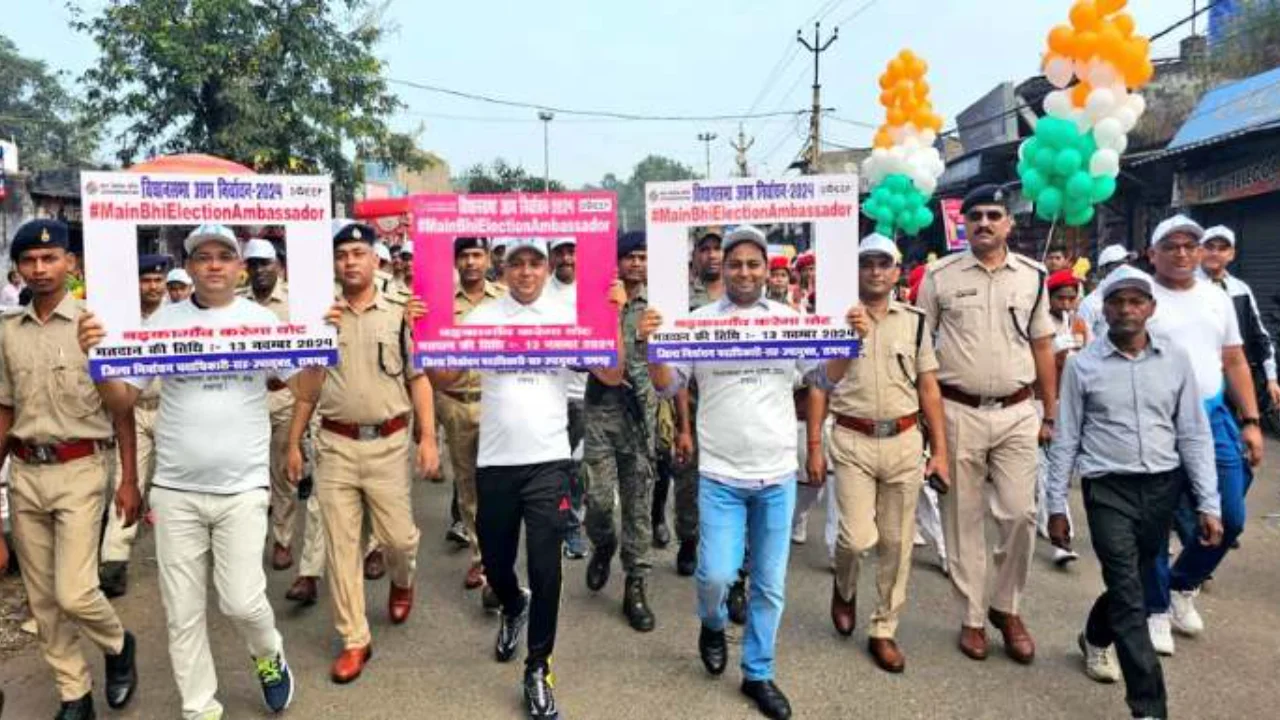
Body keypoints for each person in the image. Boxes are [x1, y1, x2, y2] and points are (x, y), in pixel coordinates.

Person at [80, 223, 299, 718]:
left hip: (242, 487)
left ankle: (268, 655)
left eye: (225, 255)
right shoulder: (162, 322)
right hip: (176, 490)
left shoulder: (260, 322)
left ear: (240, 267)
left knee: (242, 602)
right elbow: (123, 399)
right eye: (204, 256)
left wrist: (320, 340)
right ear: (190, 266)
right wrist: (95, 357)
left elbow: (304, 389)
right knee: (182, 614)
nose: (215, 264)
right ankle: (200, 707)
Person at [427, 237, 627, 719]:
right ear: (503, 267)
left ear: (546, 266)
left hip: (550, 463)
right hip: (495, 462)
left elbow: (613, 374)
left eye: (534, 262)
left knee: (545, 565)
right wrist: (426, 328)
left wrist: (610, 319)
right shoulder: (485, 317)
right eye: (515, 262)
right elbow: (445, 379)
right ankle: (514, 605)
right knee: (496, 566)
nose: (525, 271)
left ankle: (538, 667)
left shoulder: (566, 314)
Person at [642, 224, 812, 720]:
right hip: (720, 474)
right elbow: (668, 383)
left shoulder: (789, 320)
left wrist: (849, 341)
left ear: (766, 269)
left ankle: (758, 673)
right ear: (721, 267)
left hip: (777, 473)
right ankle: (711, 624)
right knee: (715, 574)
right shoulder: (696, 321)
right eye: (734, 263)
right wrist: (654, 347)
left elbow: (823, 377)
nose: (743, 271)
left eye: (753, 263)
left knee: (769, 584)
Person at [1047, 265, 1222, 720]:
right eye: (1117, 301)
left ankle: (1095, 636)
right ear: (1103, 308)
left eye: (1135, 301)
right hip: (1108, 489)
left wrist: (1208, 502)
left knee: (1139, 585)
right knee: (1129, 593)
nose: (1126, 310)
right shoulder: (1083, 366)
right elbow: (1065, 437)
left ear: (1150, 308)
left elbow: (1194, 434)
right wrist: (1055, 505)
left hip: (1162, 487)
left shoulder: (1175, 360)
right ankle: (1149, 708)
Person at [285, 222, 436, 684]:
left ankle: (402, 579)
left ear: (375, 259)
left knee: (398, 539)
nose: (349, 261)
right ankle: (355, 639)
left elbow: (418, 376)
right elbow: (306, 392)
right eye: (342, 255)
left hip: (388, 444)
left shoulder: (399, 312)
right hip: (333, 445)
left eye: (357, 252)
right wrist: (293, 443)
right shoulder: (319, 313)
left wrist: (427, 437)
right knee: (341, 548)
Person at [3, 219, 139, 720]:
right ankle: (73, 694)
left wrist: (129, 479)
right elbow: (4, 409)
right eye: (29, 261)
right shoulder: (7, 332)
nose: (40, 268)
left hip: (81, 467)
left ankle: (119, 644)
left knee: (75, 591)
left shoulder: (95, 324)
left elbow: (122, 411)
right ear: (17, 268)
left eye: (50, 258)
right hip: (24, 472)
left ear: (71, 263)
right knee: (42, 600)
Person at [916, 184, 1058, 664]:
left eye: (993, 215)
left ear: (1009, 223)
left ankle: (1007, 607)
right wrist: (926, 425)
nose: (983, 223)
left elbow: (1043, 348)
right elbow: (920, 351)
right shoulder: (938, 276)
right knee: (963, 521)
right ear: (963, 223)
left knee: (1021, 515)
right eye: (974, 215)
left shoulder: (1033, 277)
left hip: (1019, 412)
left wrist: (1050, 413)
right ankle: (973, 617)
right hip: (958, 411)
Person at [812, 234, 949, 673]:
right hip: (851, 439)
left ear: (896, 271)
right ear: (855, 270)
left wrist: (940, 451)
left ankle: (883, 628)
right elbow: (820, 384)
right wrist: (815, 443)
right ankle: (844, 586)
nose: (875, 271)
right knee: (854, 539)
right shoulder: (837, 319)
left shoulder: (915, 321)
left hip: (905, 440)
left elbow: (929, 388)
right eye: (866, 263)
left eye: (883, 263)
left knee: (896, 543)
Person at [1141, 215, 1264, 655]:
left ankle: (1182, 584)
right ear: (1152, 252)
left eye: (1191, 245)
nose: (1182, 253)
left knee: (1230, 516)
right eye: (1171, 245)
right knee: (1154, 522)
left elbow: (1233, 360)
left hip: (1212, 418)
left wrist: (1250, 421)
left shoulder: (1217, 298)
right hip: (1155, 421)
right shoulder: (1138, 295)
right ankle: (1154, 608)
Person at [583, 231, 659, 632]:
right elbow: (579, 353)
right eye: (629, 257)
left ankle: (635, 582)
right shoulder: (597, 300)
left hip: (641, 417)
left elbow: (670, 363)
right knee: (597, 501)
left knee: (638, 504)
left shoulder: (657, 305)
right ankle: (602, 544)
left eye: (643, 257)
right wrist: (610, 313)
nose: (636, 264)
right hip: (599, 412)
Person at [98, 254, 170, 599]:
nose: (153, 286)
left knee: (174, 486)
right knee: (126, 481)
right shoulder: (118, 318)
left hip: (171, 408)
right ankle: (113, 561)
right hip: (132, 411)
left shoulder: (178, 316)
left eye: (158, 280)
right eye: (146, 280)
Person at [439, 236, 503, 591]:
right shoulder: (441, 303)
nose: (471, 262)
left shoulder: (506, 300)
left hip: (497, 402)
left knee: (498, 487)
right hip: (457, 402)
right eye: (463, 255)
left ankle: (500, 557)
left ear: (488, 258)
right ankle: (482, 560)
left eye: (477, 254)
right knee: (468, 488)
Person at [1199, 225, 1280, 414]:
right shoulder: (1186, 286)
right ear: (1200, 250)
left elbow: (1260, 335)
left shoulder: (1240, 289)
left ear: (1232, 254)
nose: (1215, 253)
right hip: (1197, 382)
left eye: (1222, 248)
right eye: (1209, 247)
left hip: (1234, 379)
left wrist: (1272, 378)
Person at [1037, 269, 1087, 568]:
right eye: (1061, 297)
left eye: (1072, 297)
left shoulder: (1078, 323)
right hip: (1040, 404)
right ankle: (1059, 536)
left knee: (1056, 471)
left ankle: (1055, 528)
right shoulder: (1039, 324)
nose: (1067, 303)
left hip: (1068, 405)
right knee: (1044, 472)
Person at [546, 237, 590, 559]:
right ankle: (556, 525)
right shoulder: (540, 292)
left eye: (571, 251)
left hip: (588, 396)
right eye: (559, 251)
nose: (566, 257)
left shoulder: (596, 289)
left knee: (577, 469)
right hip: (549, 395)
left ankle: (573, 525)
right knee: (552, 468)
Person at [1078, 244, 1129, 340]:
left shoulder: (1135, 298)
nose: (1124, 270)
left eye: (1126, 264)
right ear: (1103, 270)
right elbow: (1084, 339)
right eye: (1118, 266)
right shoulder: (1091, 303)